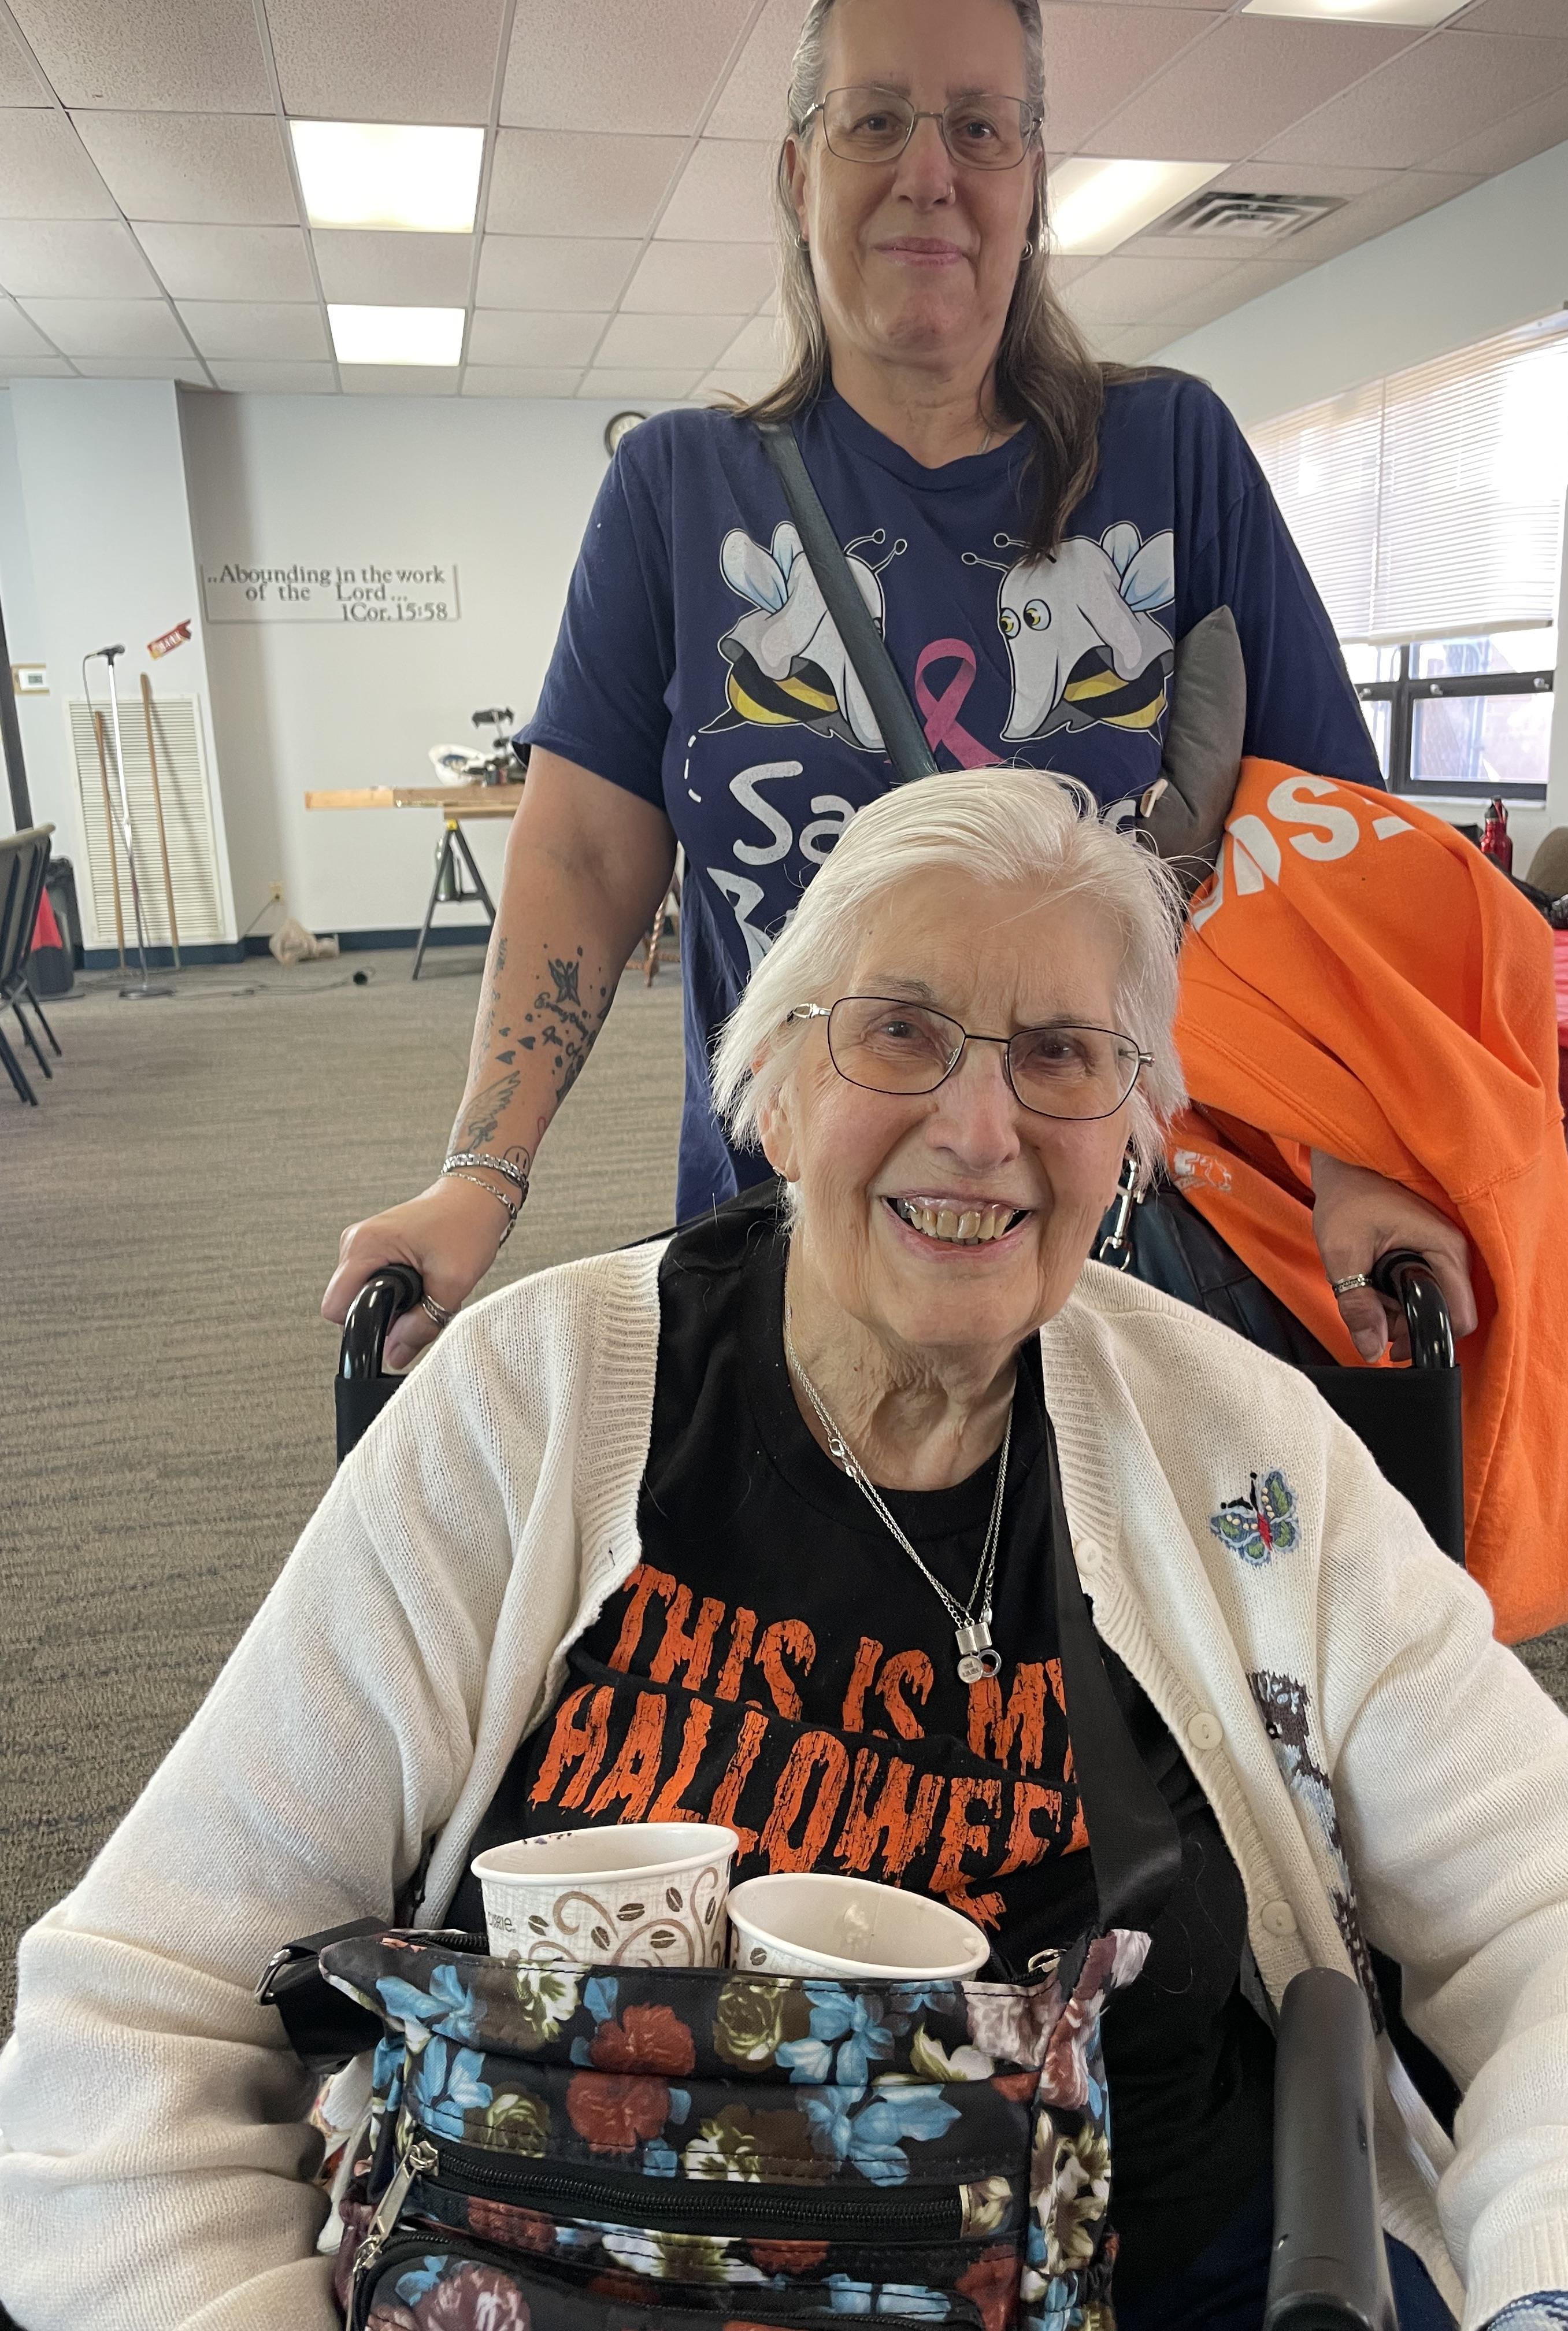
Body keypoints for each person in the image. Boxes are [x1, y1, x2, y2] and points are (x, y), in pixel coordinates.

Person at [3, 772, 1568, 2331]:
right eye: (899, 1032)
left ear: (1136, 1136)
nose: (979, 1129)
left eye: (1063, 1056)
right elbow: (141, 1999)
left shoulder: (1237, 1448)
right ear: (766, 1085)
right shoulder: (542, 1397)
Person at [321, 0, 1476, 1390]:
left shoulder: (1175, 459)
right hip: (789, 1250)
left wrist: (1352, 1159)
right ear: (800, 170)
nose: (931, 170)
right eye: (877, 120)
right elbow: (578, 854)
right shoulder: (680, 491)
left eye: (981, 127)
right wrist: (481, 1174)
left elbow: (1330, 844)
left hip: (1099, 1253)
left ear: (1032, 179)